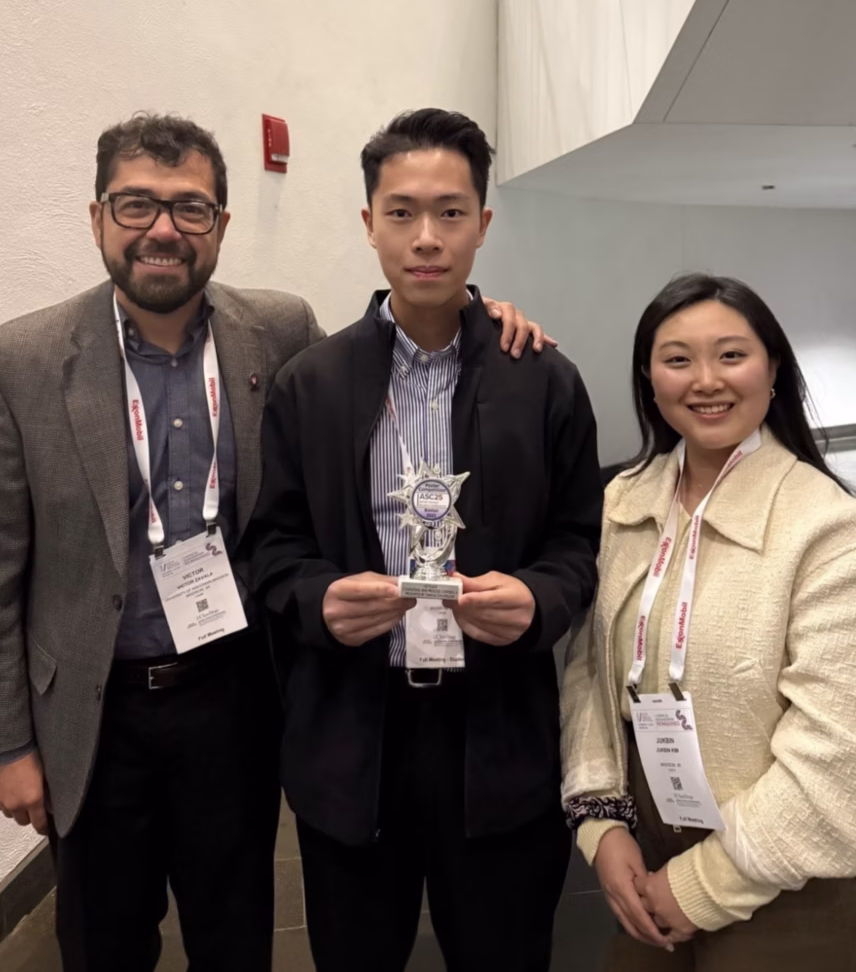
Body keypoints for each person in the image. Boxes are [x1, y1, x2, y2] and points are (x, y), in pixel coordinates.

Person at [0, 112, 547, 972]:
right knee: (102, 944)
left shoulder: (280, 331)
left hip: (237, 697)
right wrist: (11, 745)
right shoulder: (24, 359)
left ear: (220, 224)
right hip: (94, 715)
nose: (162, 229)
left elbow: (396, 360)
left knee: (237, 934)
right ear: (98, 216)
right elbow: (3, 571)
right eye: (136, 204)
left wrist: (484, 317)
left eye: (190, 208)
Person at [246, 107, 604, 972]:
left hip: (499, 734)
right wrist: (318, 601)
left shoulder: (544, 380)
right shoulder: (311, 383)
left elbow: (578, 542)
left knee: (503, 951)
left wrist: (540, 599)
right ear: (368, 223)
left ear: (484, 222)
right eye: (401, 212)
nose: (427, 238)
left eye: (451, 212)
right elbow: (273, 545)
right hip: (354, 736)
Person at [560, 274, 856, 971]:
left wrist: (700, 886)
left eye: (731, 355)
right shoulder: (624, 503)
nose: (705, 381)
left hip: (786, 876)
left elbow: (836, 757)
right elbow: (590, 674)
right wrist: (601, 823)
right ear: (649, 377)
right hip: (647, 857)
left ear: (773, 369)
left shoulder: (826, 528)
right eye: (677, 359)